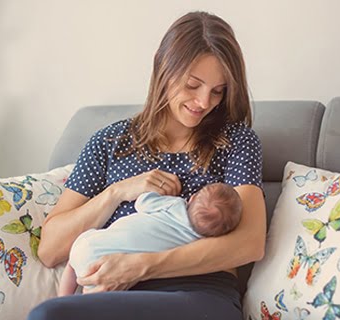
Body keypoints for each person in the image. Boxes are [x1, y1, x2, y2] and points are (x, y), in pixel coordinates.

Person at [29, 10, 266, 320]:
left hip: (199, 293)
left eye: (217, 91)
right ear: (163, 69)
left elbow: (249, 244)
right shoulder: (109, 142)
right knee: (49, 314)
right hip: (112, 296)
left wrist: (141, 265)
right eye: (193, 85)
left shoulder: (236, 141)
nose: (204, 102)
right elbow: (50, 249)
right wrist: (116, 192)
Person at [58, 182, 243, 296]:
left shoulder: (174, 205)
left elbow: (143, 202)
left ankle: (63, 298)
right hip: (109, 269)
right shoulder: (195, 243)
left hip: (91, 244)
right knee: (95, 294)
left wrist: (162, 195)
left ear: (192, 197)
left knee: (72, 265)